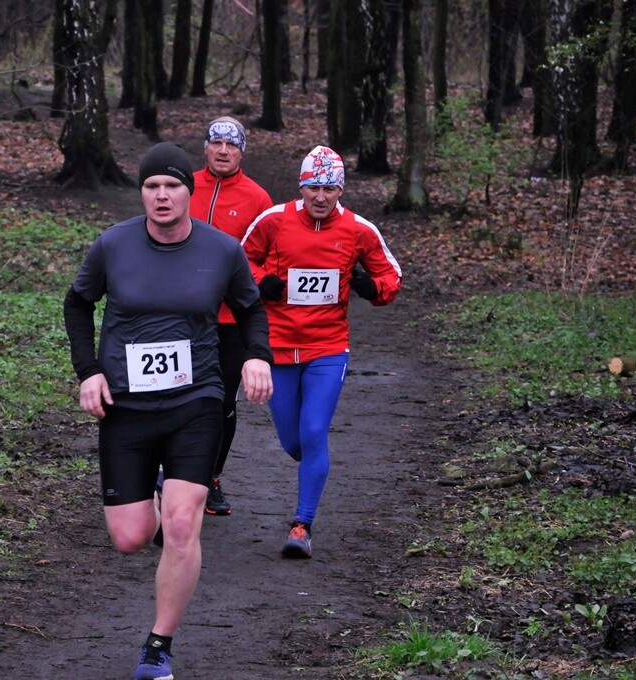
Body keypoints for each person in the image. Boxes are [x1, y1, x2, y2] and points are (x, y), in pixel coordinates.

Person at [63, 141, 274, 679]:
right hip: (126, 405)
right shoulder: (113, 245)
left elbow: (252, 308)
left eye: (172, 186)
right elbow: (78, 303)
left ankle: (158, 648)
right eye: (151, 186)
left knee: (182, 526)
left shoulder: (221, 250)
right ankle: (156, 500)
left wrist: (257, 356)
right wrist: (88, 371)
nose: (161, 195)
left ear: (188, 191)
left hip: (195, 400)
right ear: (142, 193)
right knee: (130, 537)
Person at [241, 145, 402, 559]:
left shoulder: (359, 229)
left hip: (327, 348)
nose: (320, 196)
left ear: (340, 190)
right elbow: (239, 262)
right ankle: (311, 462)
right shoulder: (274, 220)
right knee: (293, 442)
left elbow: (391, 275)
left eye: (329, 188)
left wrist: (372, 287)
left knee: (314, 432)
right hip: (278, 347)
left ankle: (302, 525)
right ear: (302, 187)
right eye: (313, 187)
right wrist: (261, 282)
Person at [190, 116, 274, 516]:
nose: (223, 151)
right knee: (176, 394)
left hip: (230, 320)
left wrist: (261, 283)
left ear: (242, 152)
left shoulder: (258, 198)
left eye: (232, 145)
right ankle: (172, 473)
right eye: (217, 143)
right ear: (206, 147)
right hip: (182, 315)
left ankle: (211, 477)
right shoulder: (184, 185)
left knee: (222, 400)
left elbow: (270, 254)